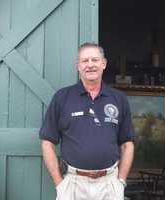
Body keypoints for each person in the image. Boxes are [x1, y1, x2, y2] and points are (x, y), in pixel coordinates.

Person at [39, 42, 135, 200]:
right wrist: (60, 184)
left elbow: (127, 144)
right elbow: (47, 142)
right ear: (78, 65)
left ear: (103, 63)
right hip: (73, 184)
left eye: (95, 60)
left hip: (109, 184)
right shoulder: (62, 97)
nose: (90, 65)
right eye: (84, 61)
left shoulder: (119, 99)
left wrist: (121, 182)